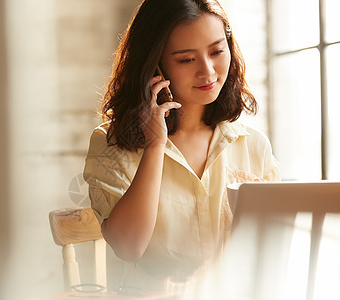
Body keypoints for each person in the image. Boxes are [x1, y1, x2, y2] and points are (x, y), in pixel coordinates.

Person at [83, 0, 280, 293]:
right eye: (187, 59)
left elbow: (273, 251)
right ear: (155, 66)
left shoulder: (251, 145)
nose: (208, 71)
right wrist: (154, 146)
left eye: (216, 51)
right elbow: (128, 247)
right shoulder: (111, 144)